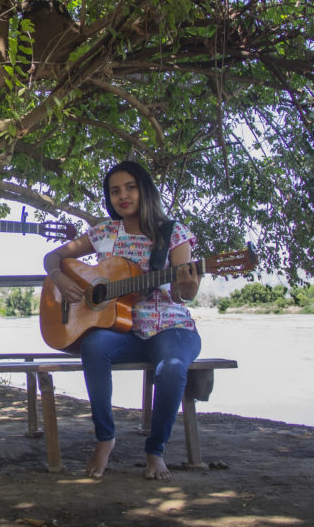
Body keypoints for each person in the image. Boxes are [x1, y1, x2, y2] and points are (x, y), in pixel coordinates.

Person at [43, 160, 200, 480]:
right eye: (115, 191)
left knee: (171, 368)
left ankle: (155, 450)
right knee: (95, 347)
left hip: (170, 326)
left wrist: (188, 284)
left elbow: (183, 295)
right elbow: (53, 257)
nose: (123, 195)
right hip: (121, 327)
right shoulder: (103, 232)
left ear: (145, 190)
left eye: (130, 187)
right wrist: (59, 278)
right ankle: (105, 438)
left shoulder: (172, 233)